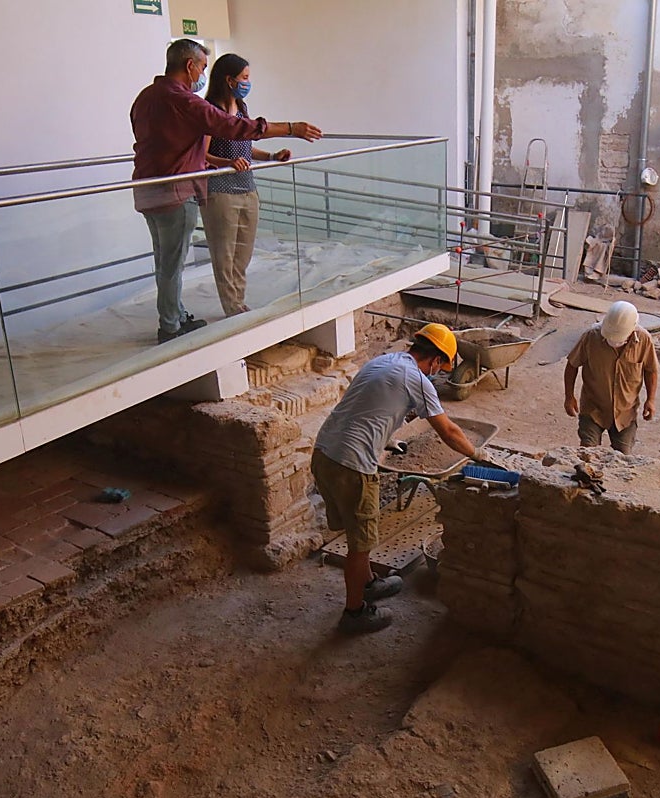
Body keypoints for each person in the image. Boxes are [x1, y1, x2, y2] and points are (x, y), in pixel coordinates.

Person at [130, 39, 322, 343]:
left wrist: (270, 155)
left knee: (167, 260)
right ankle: (170, 325)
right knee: (173, 262)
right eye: (202, 67)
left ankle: (176, 315)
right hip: (176, 191)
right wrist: (290, 128)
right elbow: (232, 128)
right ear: (190, 66)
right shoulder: (187, 102)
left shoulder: (145, 98)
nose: (202, 73)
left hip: (147, 189)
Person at [311, 324, 492, 635]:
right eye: (441, 366)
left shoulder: (382, 361)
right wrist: (476, 454)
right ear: (435, 360)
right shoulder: (418, 380)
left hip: (324, 453)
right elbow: (447, 430)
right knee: (361, 543)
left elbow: (369, 408)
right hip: (352, 466)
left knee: (359, 534)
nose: (439, 372)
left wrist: (387, 439)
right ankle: (355, 613)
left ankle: (368, 583)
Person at [201, 54, 290, 317]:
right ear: (229, 80)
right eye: (245, 78)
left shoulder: (242, 109)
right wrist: (227, 162)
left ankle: (238, 300)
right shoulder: (209, 112)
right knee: (224, 253)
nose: (247, 83)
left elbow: (246, 147)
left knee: (243, 252)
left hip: (247, 188)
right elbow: (202, 154)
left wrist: (273, 156)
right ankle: (232, 307)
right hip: (220, 191)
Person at [563, 300, 659, 453]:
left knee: (623, 457)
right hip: (593, 408)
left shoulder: (644, 340)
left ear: (632, 329)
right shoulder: (591, 337)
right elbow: (572, 365)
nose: (614, 341)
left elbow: (651, 370)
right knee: (587, 454)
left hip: (625, 411)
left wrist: (651, 400)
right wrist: (569, 396)